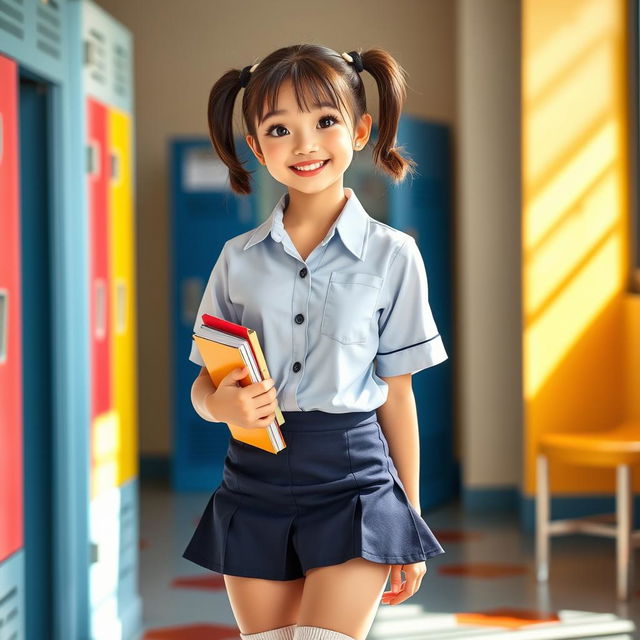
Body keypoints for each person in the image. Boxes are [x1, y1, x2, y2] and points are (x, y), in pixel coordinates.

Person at [183, 44, 449, 640]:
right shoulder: (237, 260)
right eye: (280, 128)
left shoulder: (394, 255)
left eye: (325, 121)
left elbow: (397, 398)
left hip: (355, 481)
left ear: (359, 130)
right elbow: (206, 381)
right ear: (258, 147)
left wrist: (409, 518)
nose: (304, 144)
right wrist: (218, 405)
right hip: (253, 480)